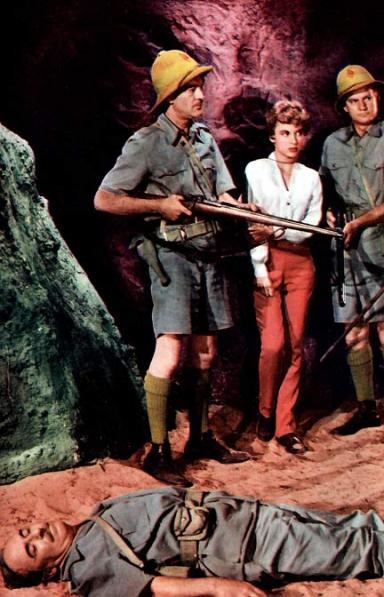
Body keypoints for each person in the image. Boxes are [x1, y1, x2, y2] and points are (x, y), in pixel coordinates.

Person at [94, 49, 250, 487]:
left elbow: (224, 195)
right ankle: (159, 450)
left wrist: (243, 209)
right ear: (169, 97)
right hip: (172, 258)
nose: (200, 95)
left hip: (210, 255)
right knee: (171, 351)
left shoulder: (204, 139)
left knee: (206, 352)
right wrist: (159, 205)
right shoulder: (146, 142)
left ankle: (200, 438)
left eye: (200, 87)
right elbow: (105, 199)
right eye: (190, 89)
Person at [0, 478, 384, 595]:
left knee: (357, 526)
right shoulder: (86, 569)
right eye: (31, 547)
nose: (36, 532)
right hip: (246, 549)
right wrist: (221, 587)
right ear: (47, 569)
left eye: (26, 531)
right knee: (356, 551)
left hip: (248, 518)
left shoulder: (93, 519)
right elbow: (155, 587)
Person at [320, 65, 384, 442]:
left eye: (369, 97)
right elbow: (327, 188)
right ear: (344, 106)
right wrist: (329, 212)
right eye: (355, 100)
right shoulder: (332, 144)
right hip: (344, 249)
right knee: (354, 332)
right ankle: (366, 408)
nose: (364, 105)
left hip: (382, 242)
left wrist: (360, 222)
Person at [246, 100, 322, 454]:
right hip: (267, 262)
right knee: (273, 344)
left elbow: (309, 229)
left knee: (295, 345)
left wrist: (275, 230)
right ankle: (264, 411)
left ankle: (285, 425)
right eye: (285, 132)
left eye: (299, 133)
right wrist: (260, 266)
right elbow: (253, 225)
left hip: (301, 264)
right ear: (272, 136)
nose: (293, 140)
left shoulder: (311, 178)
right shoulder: (256, 170)